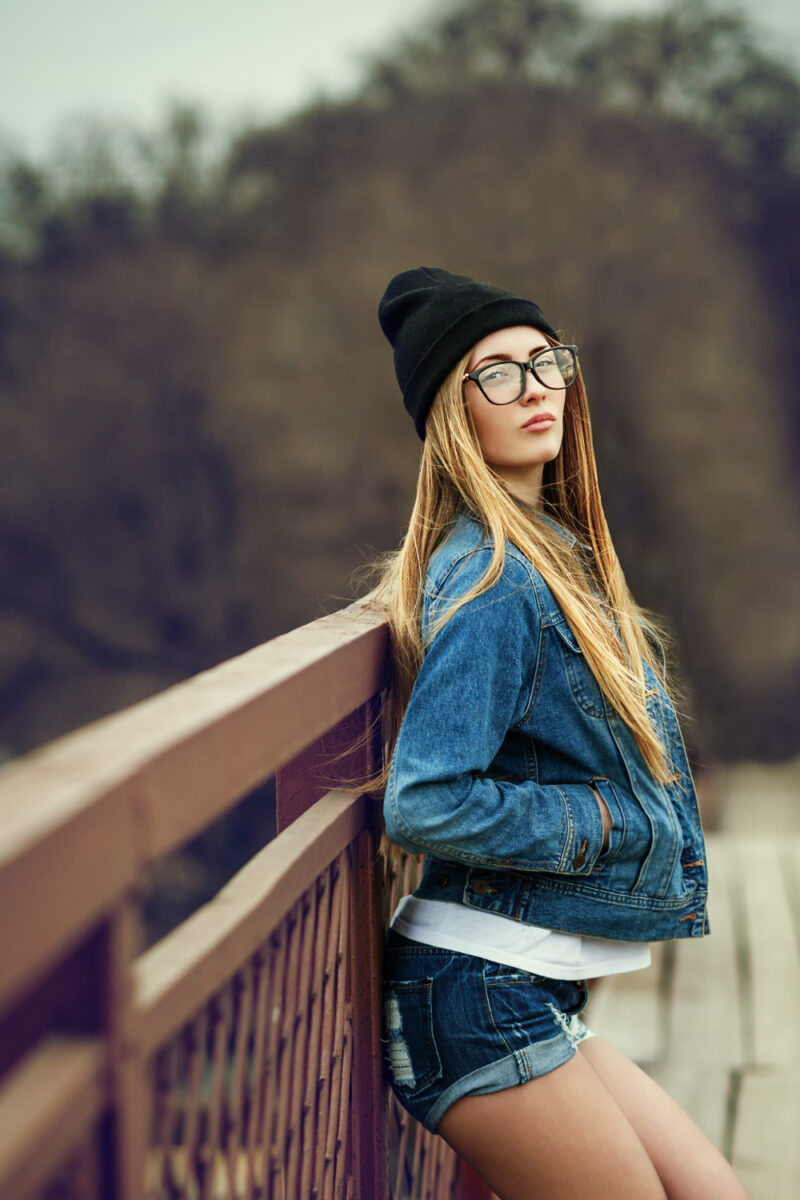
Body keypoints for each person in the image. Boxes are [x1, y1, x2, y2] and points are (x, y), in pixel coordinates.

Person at [372, 267, 750, 1200]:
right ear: (453, 415)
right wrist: (606, 825)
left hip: (529, 987)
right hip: (474, 993)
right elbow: (424, 797)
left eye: (544, 360)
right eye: (495, 372)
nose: (535, 385)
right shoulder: (497, 579)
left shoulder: (559, 555)